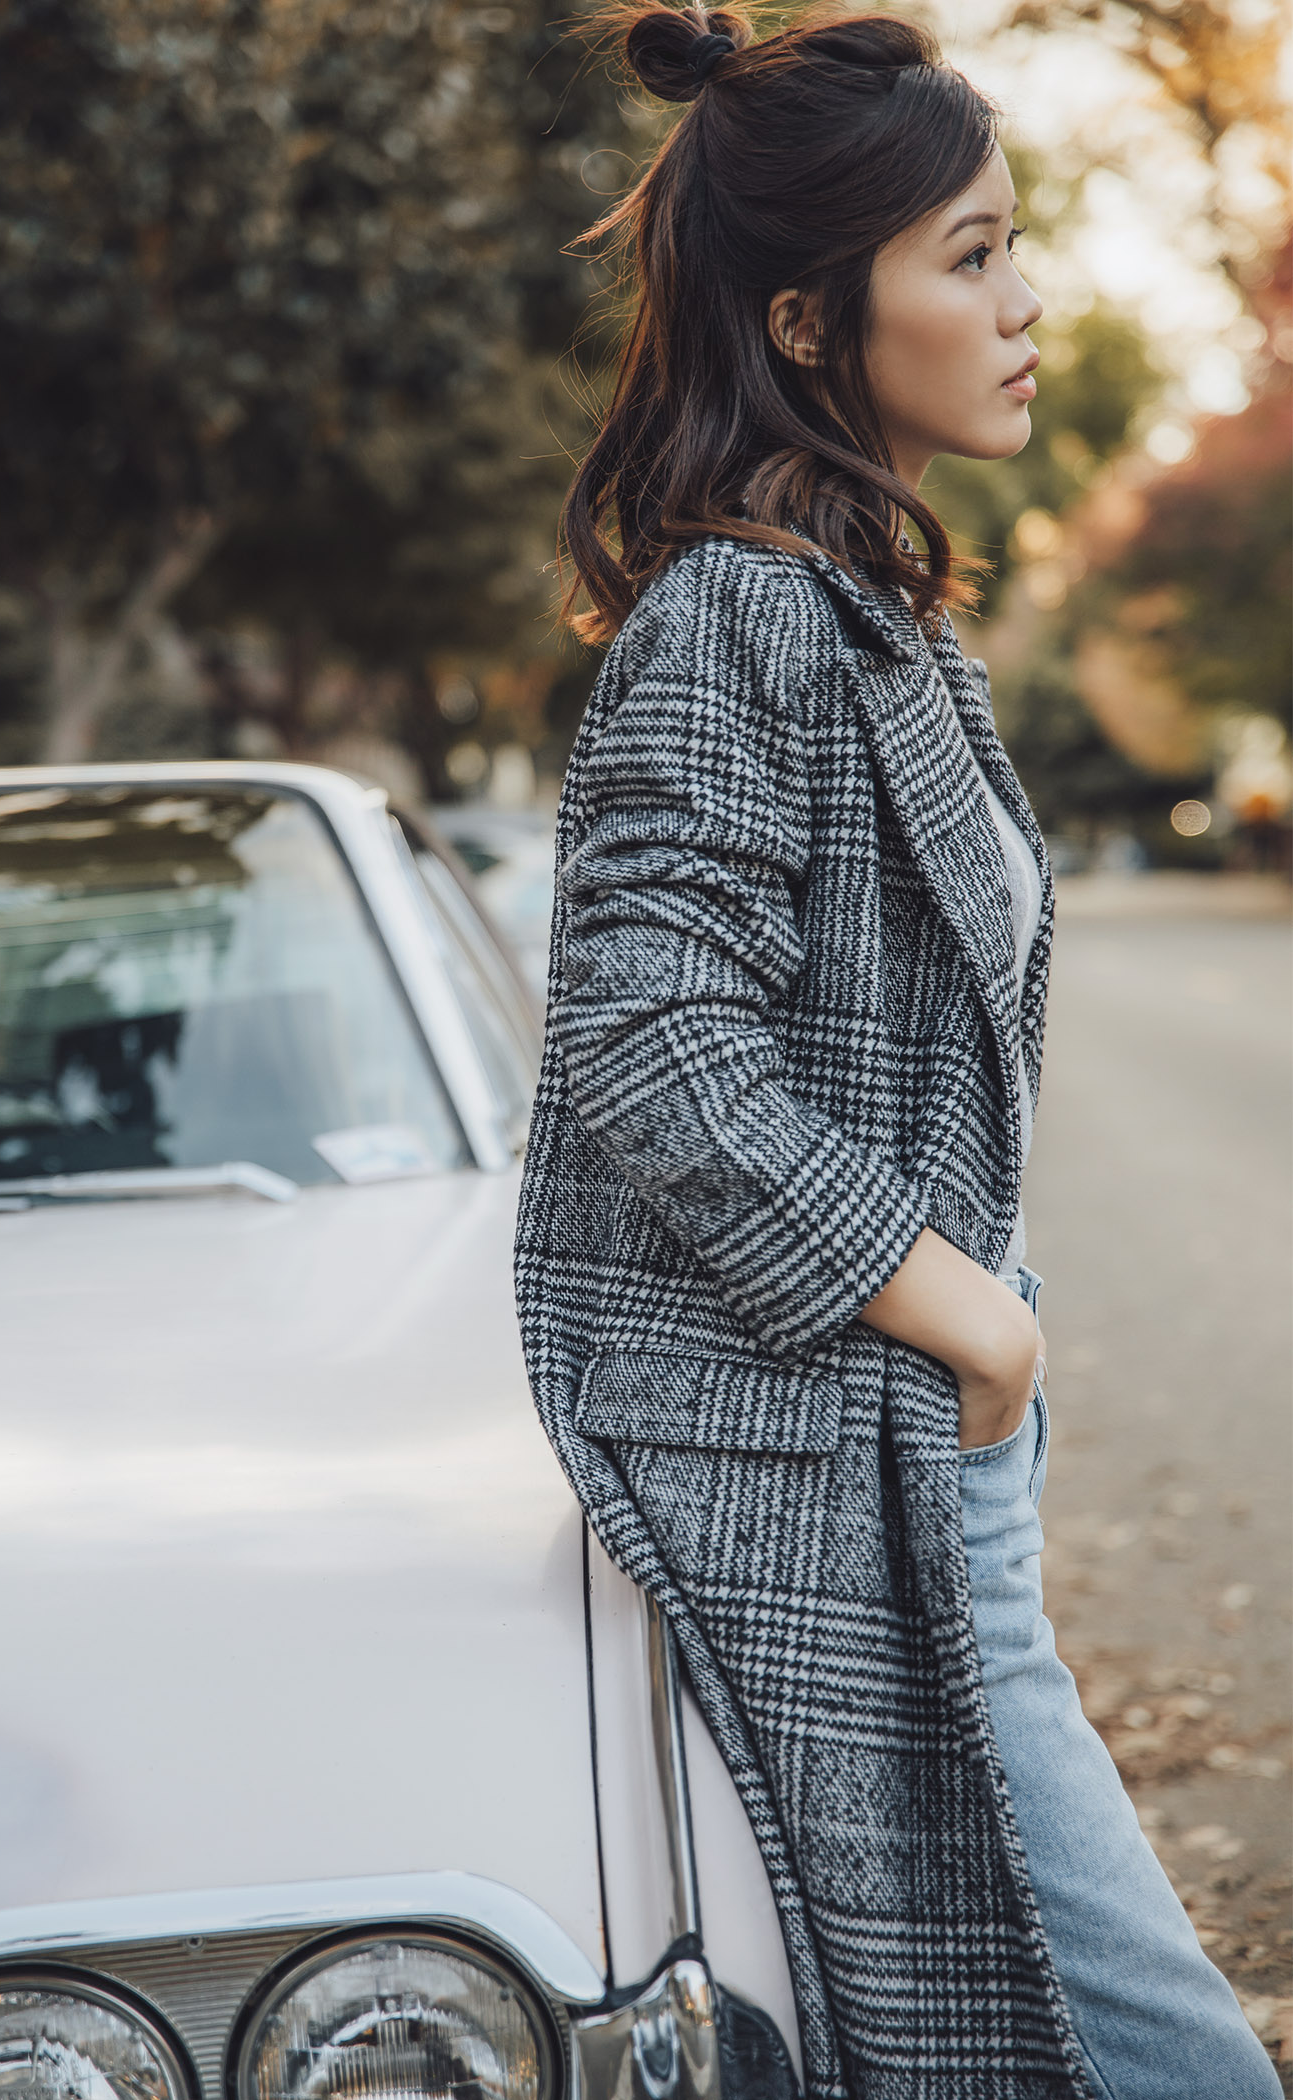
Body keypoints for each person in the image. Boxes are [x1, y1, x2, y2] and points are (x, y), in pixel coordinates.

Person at [512, 8, 1281, 2096]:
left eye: (1016, 246)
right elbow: (649, 1038)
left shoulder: (862, 606)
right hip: (853, 1451)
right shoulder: (736, 618)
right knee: (1146, 2049)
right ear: (811, 317)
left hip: (911, 1436)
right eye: (969, 254)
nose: (1028, 303)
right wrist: (976, 1331)